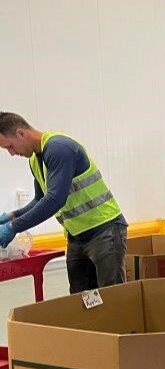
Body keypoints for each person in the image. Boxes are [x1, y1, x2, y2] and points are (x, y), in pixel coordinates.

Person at [0, 112, 127, 293]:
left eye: (9, 146)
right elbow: (40, 199)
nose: (12, 153)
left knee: (112, 296)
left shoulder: (59, 148)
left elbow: (55, 200)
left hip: (104, 230)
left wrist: (13, 227)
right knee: (81, 300)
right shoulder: (35, 160)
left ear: (21, 133)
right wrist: (9, 217)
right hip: (77, 236)